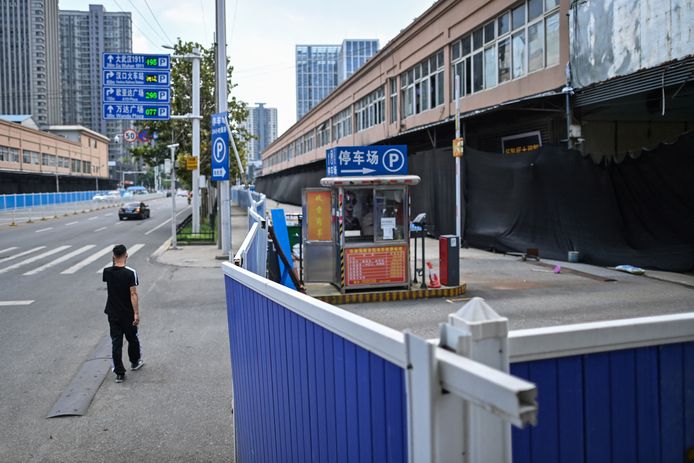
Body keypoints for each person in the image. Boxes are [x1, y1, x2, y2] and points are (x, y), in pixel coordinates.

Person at [103, 244, 144, 383]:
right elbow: (133, 294)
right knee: (132, 338)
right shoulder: (131, 272)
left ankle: (119, 374)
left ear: (113, 257)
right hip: (127, 313)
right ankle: (134, 362)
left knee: (116, 342)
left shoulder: (107, 272)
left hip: (112, 313)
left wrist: (113, 262)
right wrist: (136, 313)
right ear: (126, 255)